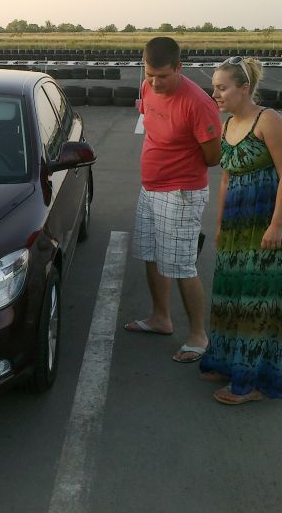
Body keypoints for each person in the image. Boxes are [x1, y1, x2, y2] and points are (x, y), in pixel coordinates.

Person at [200, 56, 282, 404]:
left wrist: (276, 225)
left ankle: (255, 381)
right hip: (238, 221)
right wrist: (220, 224)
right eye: (214, 88)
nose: (215, 94)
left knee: (260, 297)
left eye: (222, 87)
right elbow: (226, 178)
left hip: (270, 219)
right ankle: (227, 361)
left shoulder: (268, 120)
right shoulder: (228, 124)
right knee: (232, 290)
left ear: (244, 88)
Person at [125, 37, 222, 364]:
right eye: (150, 74)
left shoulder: (197, 104)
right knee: (151, 255)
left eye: (163, 76)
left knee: (180, 265)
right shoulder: (148, 88)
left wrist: (177, 165)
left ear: (179, 67)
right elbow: (152, 128)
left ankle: (198, 335)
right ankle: (160, 318)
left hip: (180, 193)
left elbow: (213, 157)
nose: (154, 82)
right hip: (150, 187)